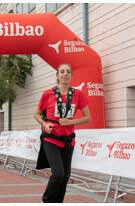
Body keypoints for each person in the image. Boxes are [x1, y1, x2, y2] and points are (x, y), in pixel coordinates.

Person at [34, 64, 91, 203]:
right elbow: (36, 114)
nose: (65, 74)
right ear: (57, 75)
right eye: (62, 71)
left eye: (68, 72)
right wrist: (44, 124)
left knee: (65, 177)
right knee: (58, 174)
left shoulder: (77, 94)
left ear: (71, 75)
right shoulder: (48, 93)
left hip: (68, 141)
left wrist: (70, 122)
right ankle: (46, 201)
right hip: (51, 139)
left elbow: (88, 118)